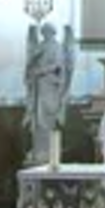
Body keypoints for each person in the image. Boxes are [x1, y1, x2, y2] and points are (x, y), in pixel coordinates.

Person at [24, 20, 75, 161]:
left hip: (51, 86)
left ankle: (49, 151)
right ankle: (39, 149)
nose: (45, 34)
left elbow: (58, 66)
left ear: (52, 33)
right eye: (43, 32)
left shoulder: (57, 47)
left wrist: (41, 71)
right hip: (40, 86)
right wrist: (33, 69)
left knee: (49, 116)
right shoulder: (39, 46)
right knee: (39, 117)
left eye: (47, 32)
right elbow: (30, 63)